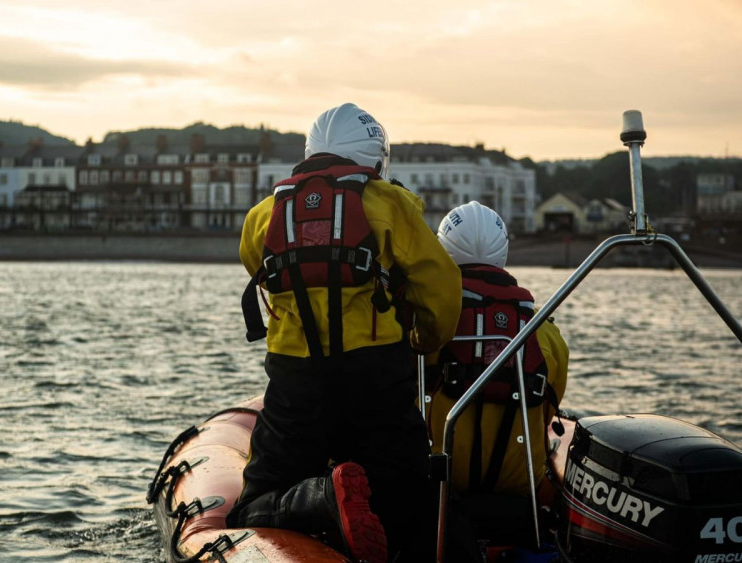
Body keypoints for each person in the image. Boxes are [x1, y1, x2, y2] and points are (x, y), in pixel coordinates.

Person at [229, 102, 462, 563]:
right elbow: (442, 291)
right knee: (413, 498)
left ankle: (318, 500)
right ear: (375, 160)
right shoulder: (391, 203)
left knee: (251, 509)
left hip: (294, 383)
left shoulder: (263, 215)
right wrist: (423, 343)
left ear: (309, 153)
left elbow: (256, 265)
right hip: (376, 380)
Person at [426, 201, 569, 556]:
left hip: (437, 496)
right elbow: (549, 414)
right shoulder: (545, 333)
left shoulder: (423, 324)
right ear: (503, 253)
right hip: (520, 501)